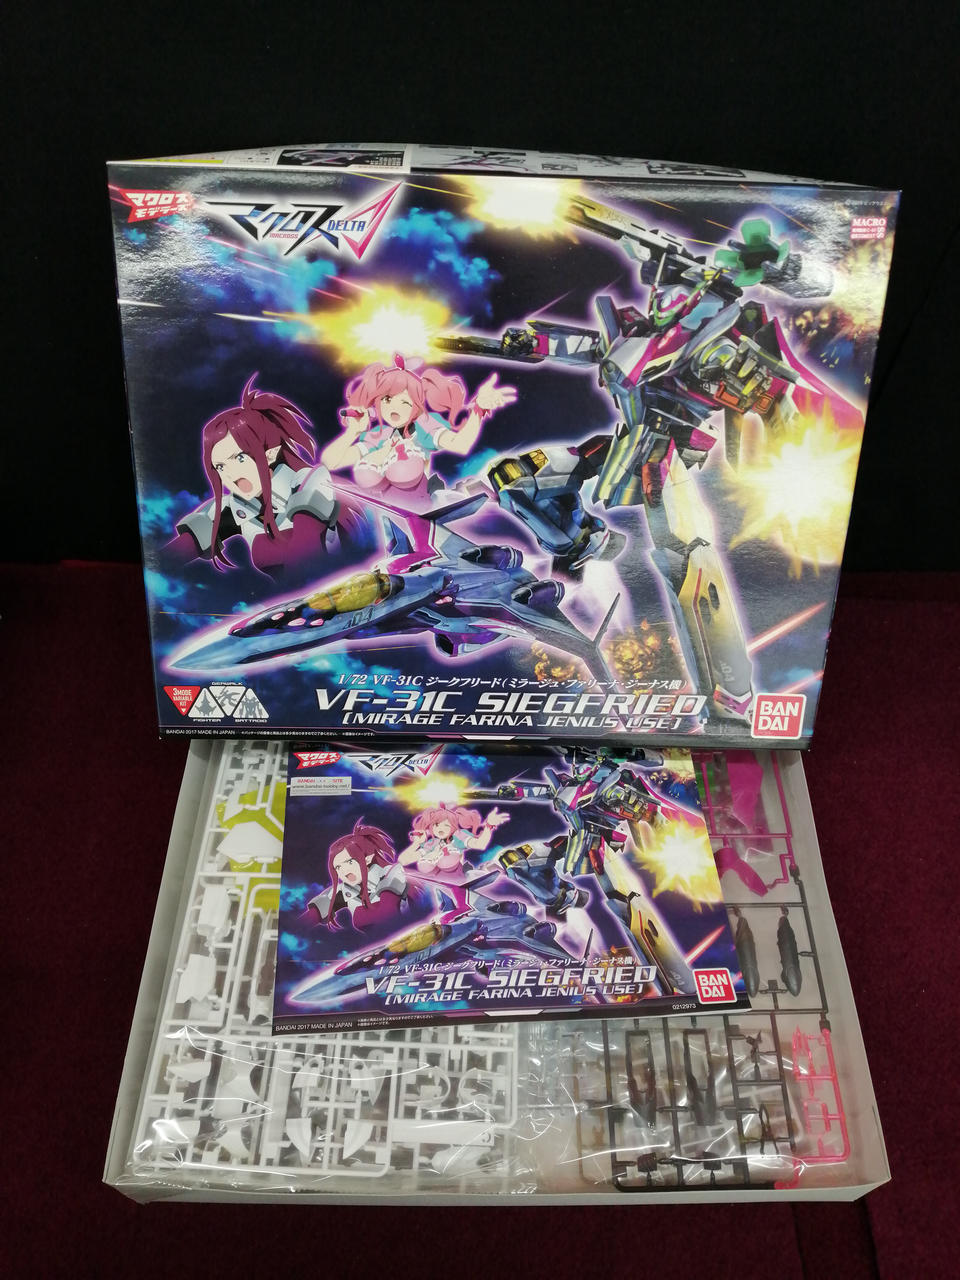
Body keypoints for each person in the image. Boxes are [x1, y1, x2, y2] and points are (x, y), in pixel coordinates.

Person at [167, 375, 368, 580]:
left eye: (239, 458)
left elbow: (305, 556)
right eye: (220, 466)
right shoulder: (232, 507)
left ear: (271, 453)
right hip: (305, 596)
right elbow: (169, 558)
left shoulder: (308, 482)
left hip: (352, 583)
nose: (230, 473)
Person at [321, 355, 516, 509]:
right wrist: (352, 432)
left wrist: (478, 409)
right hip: (391, 516)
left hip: (425, 509)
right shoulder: (378, 435)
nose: (394, 407)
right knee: (367, 471)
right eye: (387, 399)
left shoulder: (423, 426)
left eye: (405, 401)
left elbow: (460, 444)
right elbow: (331, 462)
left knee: (404, 466)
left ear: (416, 406)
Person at [306, 820, 407, 931]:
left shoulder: (391, 873)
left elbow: (387, 913)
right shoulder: (342, 891)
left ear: (368, 858)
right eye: (338, 867)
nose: (344, 871)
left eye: (349, 862)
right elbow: (307, 920)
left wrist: (359, 915)